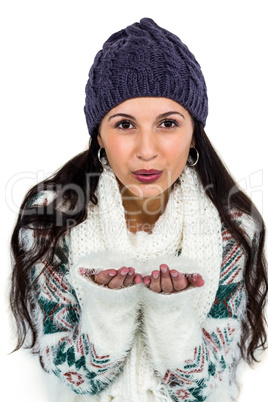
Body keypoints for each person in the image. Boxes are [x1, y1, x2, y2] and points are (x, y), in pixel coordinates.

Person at [10, 17, 267, 402]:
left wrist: (170, 313)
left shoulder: (233, 226)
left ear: (194, 131)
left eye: (167, 123)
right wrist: (108, 309)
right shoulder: (50, 217)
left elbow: (203, 386)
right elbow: (70, 376)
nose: (147, 150)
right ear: (99, 133)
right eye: (125, 124)